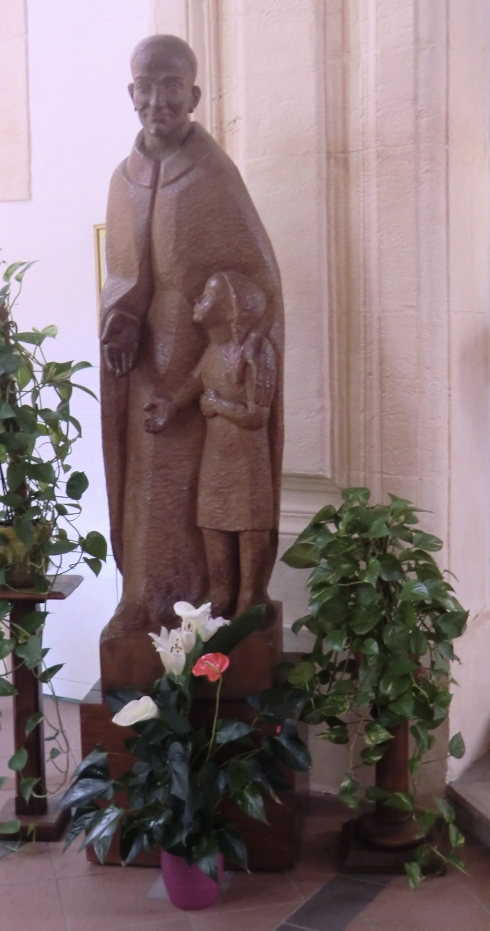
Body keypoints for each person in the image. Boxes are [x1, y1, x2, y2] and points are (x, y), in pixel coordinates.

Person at [100, 35, 284, 638]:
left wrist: (235, 344)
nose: (158, 100)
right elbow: (122, 275)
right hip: (148, 362)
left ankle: (208, 600)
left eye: (172, 86)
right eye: (146, 88)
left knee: (203, 491)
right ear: (132, 95)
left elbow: (258, 275)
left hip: (203, 354)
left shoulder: (213, 176)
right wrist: (120, 321)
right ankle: (146, 599)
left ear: (194, 94)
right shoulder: (122, 178)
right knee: (147, 476)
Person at [144, 271, 277, 617]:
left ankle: (250, 598)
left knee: (249, 526)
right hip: (217, 460)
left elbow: (257, 416)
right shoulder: (214, 351)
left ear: (232, 310)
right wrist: (170, 405)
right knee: (213, 523)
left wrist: (219, 405)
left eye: (207, 296)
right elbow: (192, 383)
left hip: (248, 462)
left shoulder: (256, 353)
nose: (197, 301)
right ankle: (220, 599)